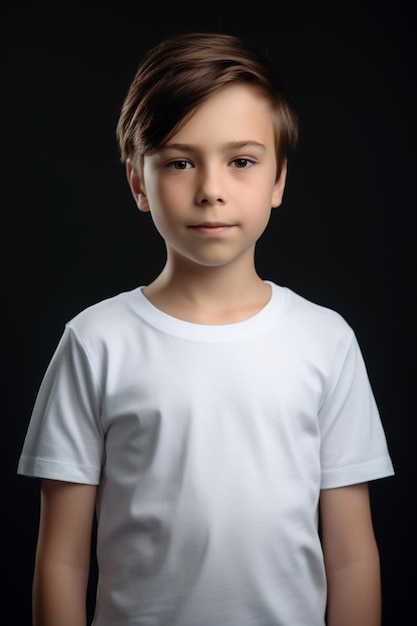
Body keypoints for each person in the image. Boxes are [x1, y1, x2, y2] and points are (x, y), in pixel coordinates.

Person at [17, 32, 394, 626]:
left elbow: (350, 556)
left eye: (241, 161)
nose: (211, 189)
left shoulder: (326, 341)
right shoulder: (96, 341)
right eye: (179, 162)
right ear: (139, 182)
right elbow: (61, 560)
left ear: (278, 181)